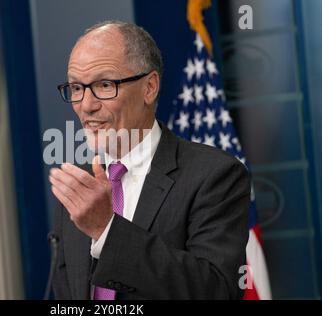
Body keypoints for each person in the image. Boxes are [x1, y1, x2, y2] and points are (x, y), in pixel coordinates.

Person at [49, 20, 250, 300]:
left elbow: (217, 290)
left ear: (150, 87)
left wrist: (106, 230)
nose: (86, 105)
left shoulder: (215, 175)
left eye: (105, 85)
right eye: (76, 88)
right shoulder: (79, 187)